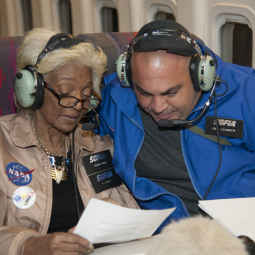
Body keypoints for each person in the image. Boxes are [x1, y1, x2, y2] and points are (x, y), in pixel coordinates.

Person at [97, 19, 255, 232]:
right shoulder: (112, 98)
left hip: (238, 230)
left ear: (202, 77)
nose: (158, 107)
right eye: (144, 92)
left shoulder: (247, 94)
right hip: (162, 235)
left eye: (170, 92)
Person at [0, 28, 139, 255]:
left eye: (86, 94)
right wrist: (28, 245)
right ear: (32, 89)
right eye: (65, 92)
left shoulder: (97, 146)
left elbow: (129, 212)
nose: (77, 105)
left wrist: (107, 217)